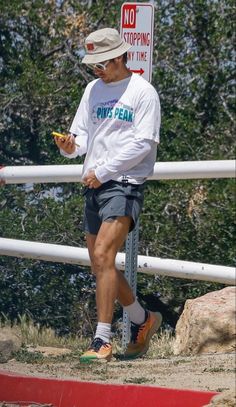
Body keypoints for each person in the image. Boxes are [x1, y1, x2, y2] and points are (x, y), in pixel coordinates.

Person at [54, 28, 162, 362]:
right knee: (101, 263)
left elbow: (143, 144)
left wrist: (103, 172)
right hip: (94, 183)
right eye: (92, 64)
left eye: (101, 63)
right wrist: (71, 147)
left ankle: (102, 340)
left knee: (102, 254)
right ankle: (144, 320)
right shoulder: (92, 90)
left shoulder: (143, 92)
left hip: (124, 183)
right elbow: (83, 135)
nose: (95, 69)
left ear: (118, 57)